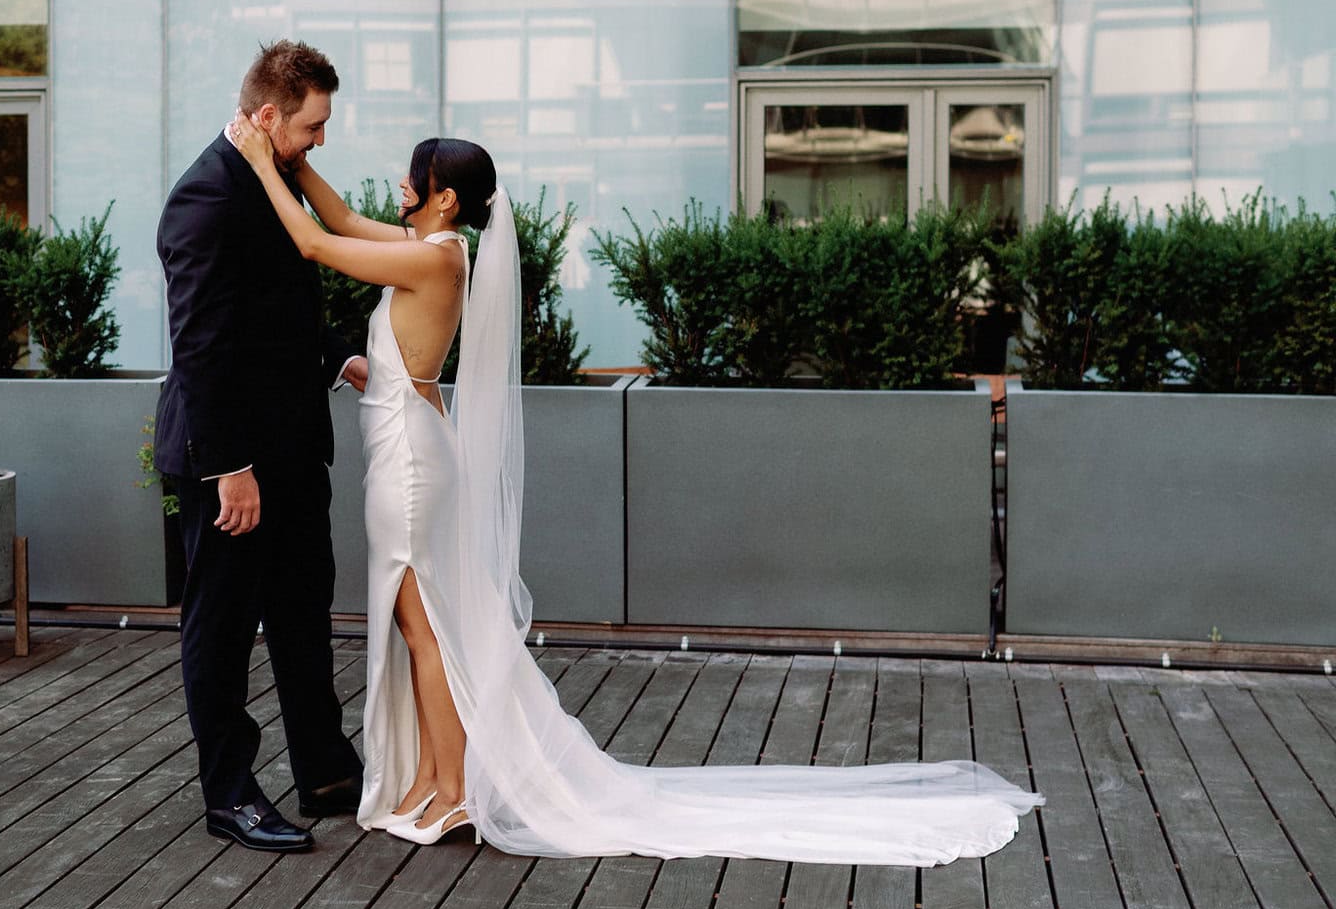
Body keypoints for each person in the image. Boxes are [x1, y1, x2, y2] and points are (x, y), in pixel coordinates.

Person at [231, 122, 1046, 864]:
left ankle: (450, 792)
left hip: (410, 462)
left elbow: (310, 243)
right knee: (426, 628)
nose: (399, 187)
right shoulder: (430, 247)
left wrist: (266, 164)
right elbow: (337, 222)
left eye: (414, 177)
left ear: (443, 196)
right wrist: (297, 164)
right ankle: (442, 785)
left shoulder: (437, 255)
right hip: (408, 446)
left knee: (426, 629)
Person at [154, 40, 367, 855]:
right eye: (313, 125)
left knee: (303, 615)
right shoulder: (204, 199)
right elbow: (201, 345)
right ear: (270, 114)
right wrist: (228, 467)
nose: (320, 139)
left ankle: (324, 770)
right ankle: (230, 794)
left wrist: (336, 354)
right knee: (220, 628)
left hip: (293, 450)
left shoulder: (272, 181)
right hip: (230, 462)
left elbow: (281, 310)